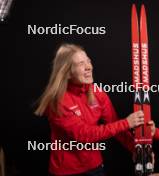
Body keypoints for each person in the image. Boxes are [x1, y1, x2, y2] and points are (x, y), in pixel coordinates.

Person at [34, 43, 144, 176]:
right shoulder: (58, 102)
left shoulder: (98, 93)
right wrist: (126, 123)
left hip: (95, 167)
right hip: (67, 171)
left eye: (88, 61)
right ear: (67, 73)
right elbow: (83, 135)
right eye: (81, 64)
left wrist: (136, 149)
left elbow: (115, 126)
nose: (88, 67)